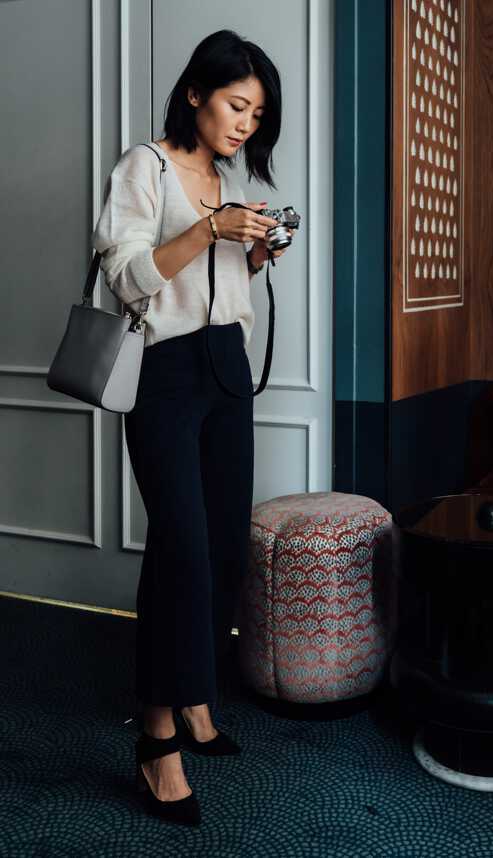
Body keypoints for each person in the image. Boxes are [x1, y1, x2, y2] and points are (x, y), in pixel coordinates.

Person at [92, 29, 291, 826]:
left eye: (256, 113)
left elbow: (216, 285)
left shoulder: (223, 176)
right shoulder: (145, 166)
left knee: (220, 550)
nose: (245, 123)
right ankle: (155, 739)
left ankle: (199, 702)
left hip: (227, 368)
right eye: (237, 105)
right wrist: (210, 230)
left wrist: (255, 251)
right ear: (195, 94)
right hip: (166, 375)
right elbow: (128, 277)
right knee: (181, 548)